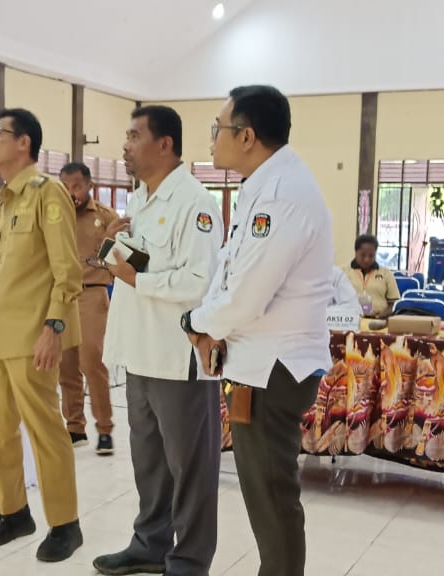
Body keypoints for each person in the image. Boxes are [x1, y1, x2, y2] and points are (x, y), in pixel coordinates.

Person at [182, 85, 334, 576]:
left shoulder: (283, 195)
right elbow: (231, 272)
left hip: (273, 370)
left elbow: (247, 296)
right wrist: (207, 327)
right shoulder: (263, 185)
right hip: (258, 364)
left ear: (246, 136)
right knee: (266, 499)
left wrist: (195, 322)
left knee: (272, 500)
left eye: (218, 128)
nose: (212, 139)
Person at [94, 106, 224, 576]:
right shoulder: (140, 201)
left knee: (190, 467)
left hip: (177, 355)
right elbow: (139, 265)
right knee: (148, 461)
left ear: (164, 144)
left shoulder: (195, 203)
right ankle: (149, 544)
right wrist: (112, 246)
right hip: (139, 351)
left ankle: (189, 559)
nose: (125, 145)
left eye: (134, 135)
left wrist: (136, 277)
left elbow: (199, 282)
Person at [0, 108, 84, 562]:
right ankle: (13, 512)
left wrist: (54, 327)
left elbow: (67, 271)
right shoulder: (6, 200)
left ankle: (65, 523)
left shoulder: (46, 193)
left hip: (33, 336)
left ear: (24, 143)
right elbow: (7, 274)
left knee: (45, 430)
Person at [58, 162, 119, 453]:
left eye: (77, 186)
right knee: (66, 364)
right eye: (66, 187)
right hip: (61, 296)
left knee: (91, 361)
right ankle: (74, 427)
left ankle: (104, 428)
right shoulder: (54, 216)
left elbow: (121, 255)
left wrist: (107, 242)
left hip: (93, 293)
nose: (72, 193)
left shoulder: (105, 217)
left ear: (89, 185)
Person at [347, 234, 401, 318]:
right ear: (356, 252)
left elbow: (392, 304)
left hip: (378, 321)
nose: (367, 259)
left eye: (371, 255)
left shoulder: (386, 273)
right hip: (349, 320)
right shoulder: (343, 273)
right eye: (363, 255)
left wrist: (379, 317)